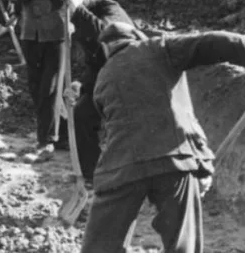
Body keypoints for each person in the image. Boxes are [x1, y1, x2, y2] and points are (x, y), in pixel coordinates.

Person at [79, 23, 245, 253]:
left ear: (107, 48)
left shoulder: (103, 76)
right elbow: (212, 42)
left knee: (100, 245)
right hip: (174, 160)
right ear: (136, 37)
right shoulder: (158, 47)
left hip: (121, 167)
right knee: (182, 242)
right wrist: (201, 165)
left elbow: (105, 121)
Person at [6, 0, 140, 159]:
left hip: (56, 35)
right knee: (37, 87)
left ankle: (45, 142)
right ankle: (60, 136)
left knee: (50, 87)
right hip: (30, 34)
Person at [62, 0, 135, 185]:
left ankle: (127, 177)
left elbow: (107, 34)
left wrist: (78, 11)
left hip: (130, 80)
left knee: (122, 130)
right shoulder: (78, 21)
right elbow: (95, 62)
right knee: (81, 116)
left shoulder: (108, 7)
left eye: (66, 8)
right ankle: (91, 175)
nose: (64, 15)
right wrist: (81, 85)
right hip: (105, 80)